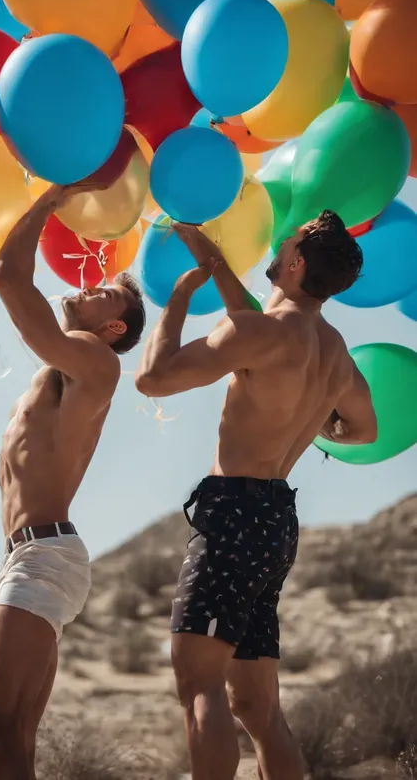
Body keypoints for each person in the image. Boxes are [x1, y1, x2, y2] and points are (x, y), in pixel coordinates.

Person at [135, 210, 377, 780]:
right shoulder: (335, 353)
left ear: (294, 264)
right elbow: (364, 431)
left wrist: (174, 301)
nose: (279, 242)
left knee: (200, 684)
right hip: (275, 523)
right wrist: (316, 421)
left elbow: (153, 378)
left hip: (232, 514)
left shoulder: (259, 334)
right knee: (258, 708)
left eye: (286, 241)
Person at [0, 182, 146, 780]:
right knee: (11, 733)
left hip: (44, 556)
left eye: (107, 297)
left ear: (113, 332)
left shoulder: (96, 363)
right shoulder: (66, 368)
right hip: (36, 556)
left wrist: (53, 199)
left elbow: (6, 277)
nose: (90, 286)